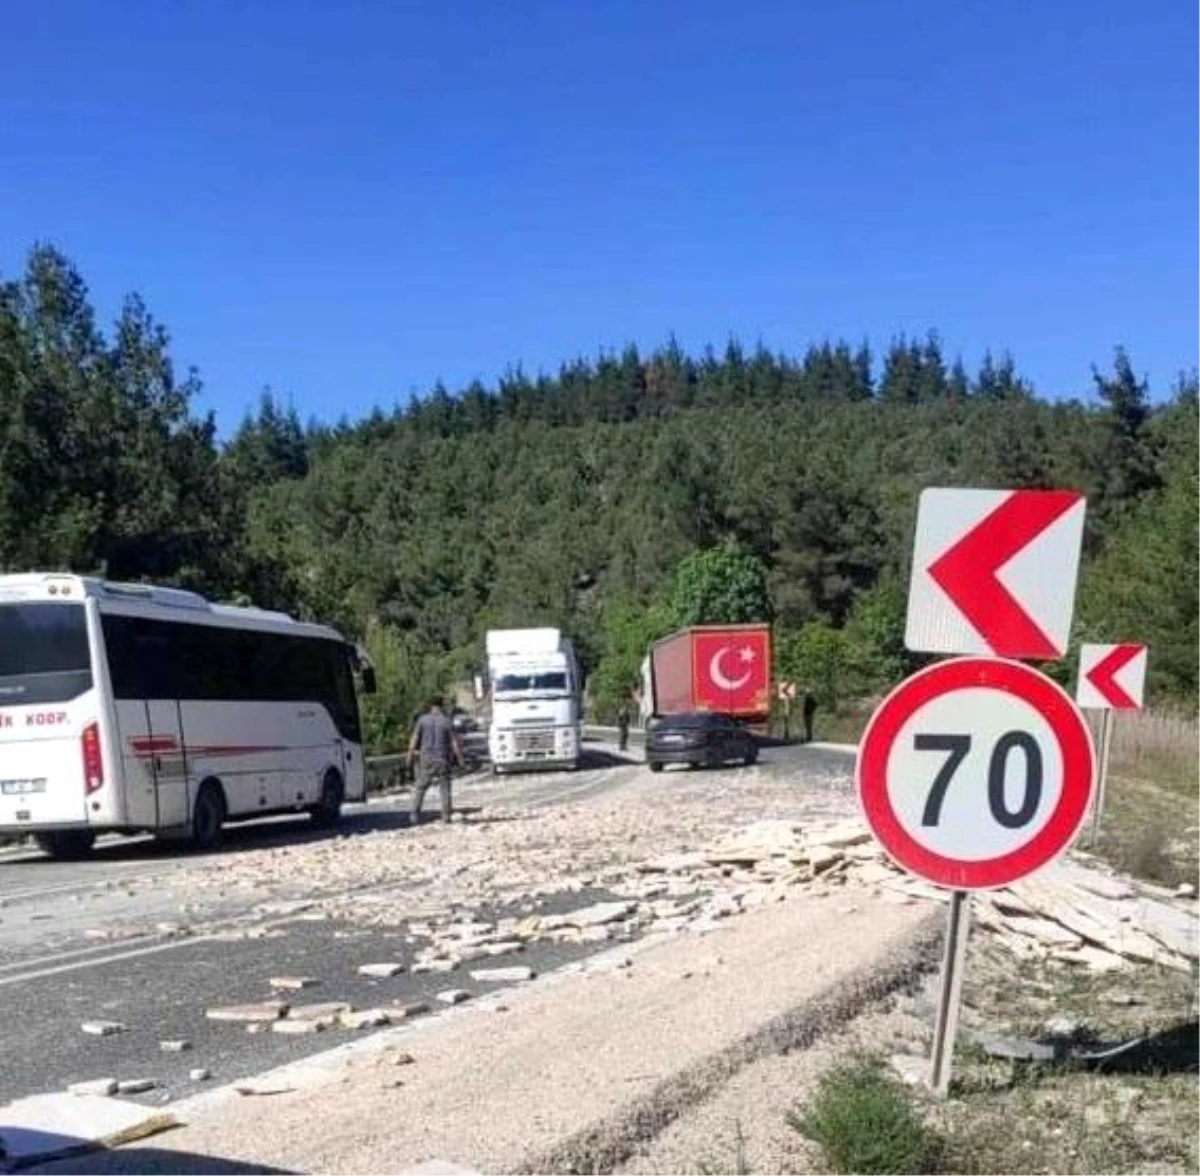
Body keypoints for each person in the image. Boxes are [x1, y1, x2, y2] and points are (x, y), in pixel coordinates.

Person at [406, 695, 464, 826]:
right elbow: (454, 742)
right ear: (441, 706)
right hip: (443, 758)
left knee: (421, 787)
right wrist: (460, 759)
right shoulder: (446, 721)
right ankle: (446, 815)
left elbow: (414, 739)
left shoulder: (422, 720)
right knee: (445, 788)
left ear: (430, 706)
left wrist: (409, 756)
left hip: (427, 758)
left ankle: (414, 814)